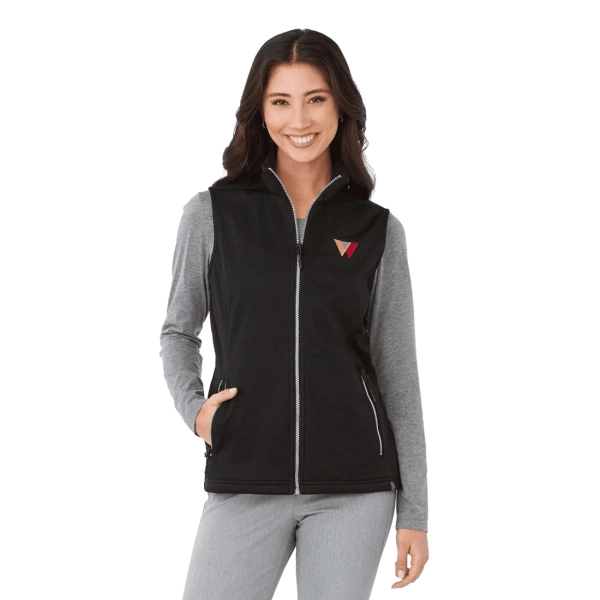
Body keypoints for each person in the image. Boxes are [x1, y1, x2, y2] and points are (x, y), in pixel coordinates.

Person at [159, 28, 429, 600]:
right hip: (244, 476)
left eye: (316, 99)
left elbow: (398, 374)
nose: (299, 119)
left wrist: (416, 512)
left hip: (355, 488)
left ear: (340, 106)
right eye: (281, 101)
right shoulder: (212, 214)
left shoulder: (377, 230)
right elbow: (178, 331)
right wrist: (196, 411)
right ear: (259, 111)